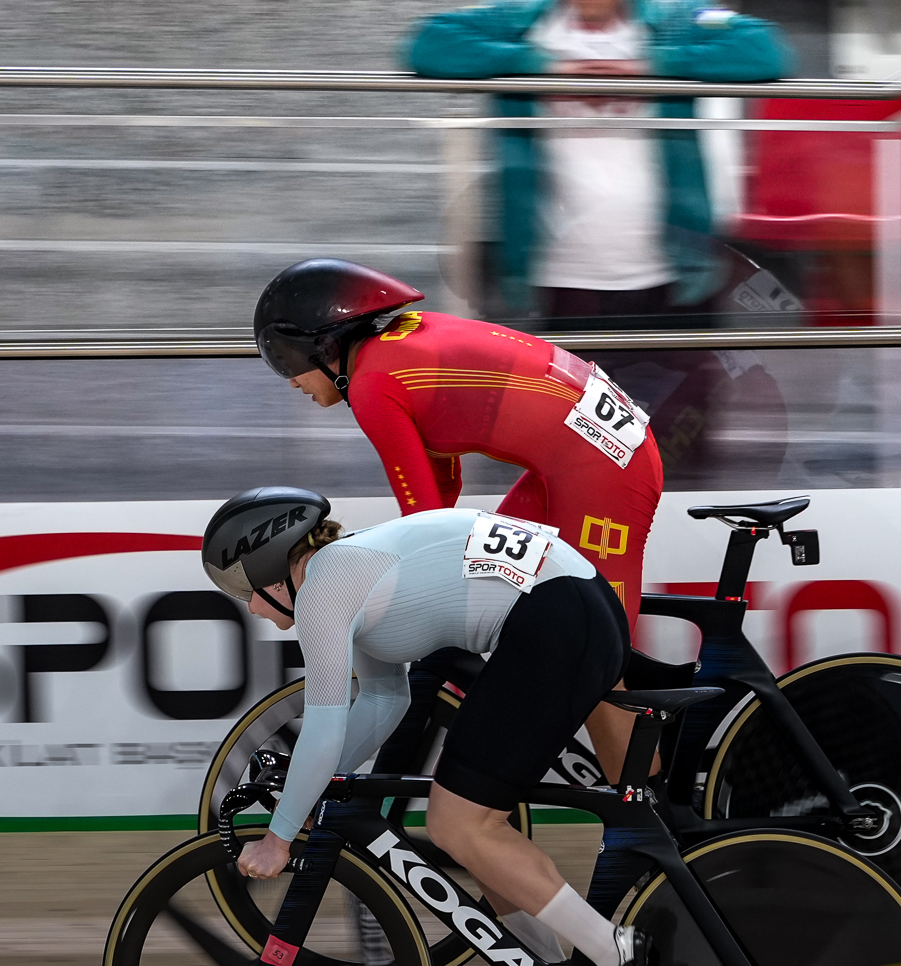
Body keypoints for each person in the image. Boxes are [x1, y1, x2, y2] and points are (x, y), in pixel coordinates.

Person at [202, 486, 646, 966]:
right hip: (578, 601)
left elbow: (323, 725)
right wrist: (312, 788)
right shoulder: (345, 571)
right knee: (479, 831)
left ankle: (614, 948)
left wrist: (279, 836)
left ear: (273, 573)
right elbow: (386, 699)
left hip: (556, 618)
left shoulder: (321, 590)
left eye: (245, 590)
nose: (248, 606)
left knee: (460, 825)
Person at [254, 256, 659, 778]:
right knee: (513, 602)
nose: (289, 381)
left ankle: (653, 830)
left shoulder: (375, 387)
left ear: (324, 343)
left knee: (598, 669)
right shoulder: (393, 352)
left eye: (286, 361)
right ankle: (494, 794)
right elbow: (441, 493)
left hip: (601, 468)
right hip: (582, 458)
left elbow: (422, 521)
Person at [405, 0, 793, 321]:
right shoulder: (518, 22)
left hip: (680, 271)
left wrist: (650, 67)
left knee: (680, 412)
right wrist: (544, 66)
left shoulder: (676, 21)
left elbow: (764, 50)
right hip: (558, 276)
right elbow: (429, 45)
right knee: (570, 413)